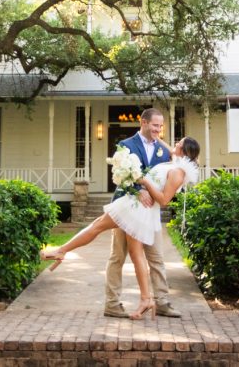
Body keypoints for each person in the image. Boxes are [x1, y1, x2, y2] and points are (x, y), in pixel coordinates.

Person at [41, 135, 200, 320]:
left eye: (179, 143)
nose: (175, 143)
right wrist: (156, 136)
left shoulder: (178, 172)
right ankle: (146, 299)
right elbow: (167, 146)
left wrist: (144, 181)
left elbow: (164, 200)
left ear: (185, 151)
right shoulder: (173, 163)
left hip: (137, 209)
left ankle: (62, 250)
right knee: (134, 252)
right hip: (134, 205)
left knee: (99, 225)